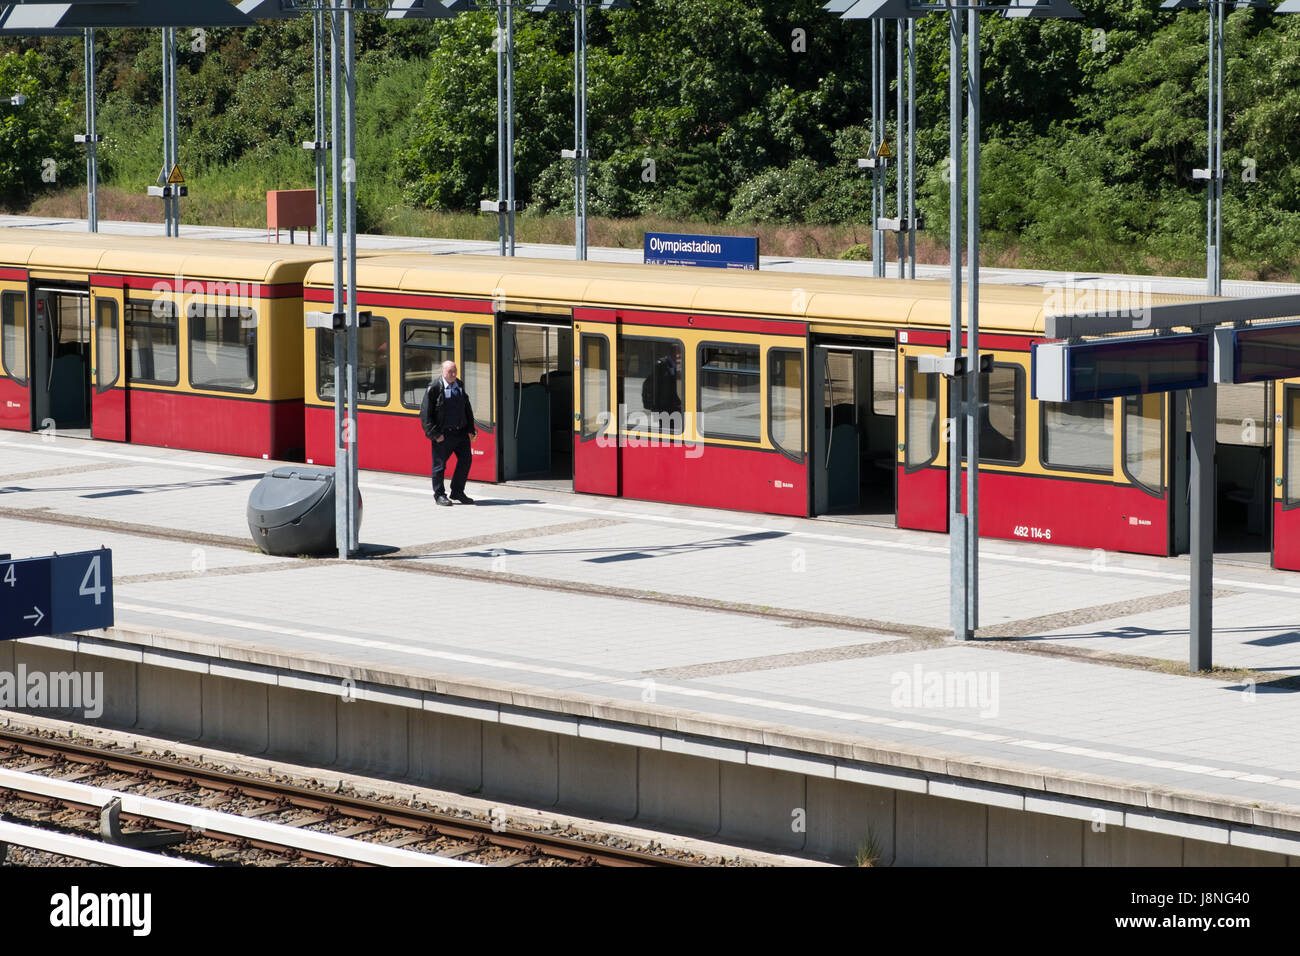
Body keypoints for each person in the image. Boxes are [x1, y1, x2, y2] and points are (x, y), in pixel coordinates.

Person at [420, 359, 478, 506]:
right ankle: (439, 495)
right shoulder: (434, 387)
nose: (453, 374)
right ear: (442, 372)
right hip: (443, 435)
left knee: (466, 461)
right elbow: (425, 414)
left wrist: (470, 429)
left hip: (460, 433)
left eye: (454, 371)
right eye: (449, 372)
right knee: (439, 466)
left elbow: (467, 409)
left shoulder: (459, 385)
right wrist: (435, 434)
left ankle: (457, 491)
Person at [642, 343, 683, 418]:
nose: (680, 355)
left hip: (676, 407)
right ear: (672, 353)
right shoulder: (661, 365)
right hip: (663, 407)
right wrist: (653, 406)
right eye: (679, 352)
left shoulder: (679, 365)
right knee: (665, 427)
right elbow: (652, 386)